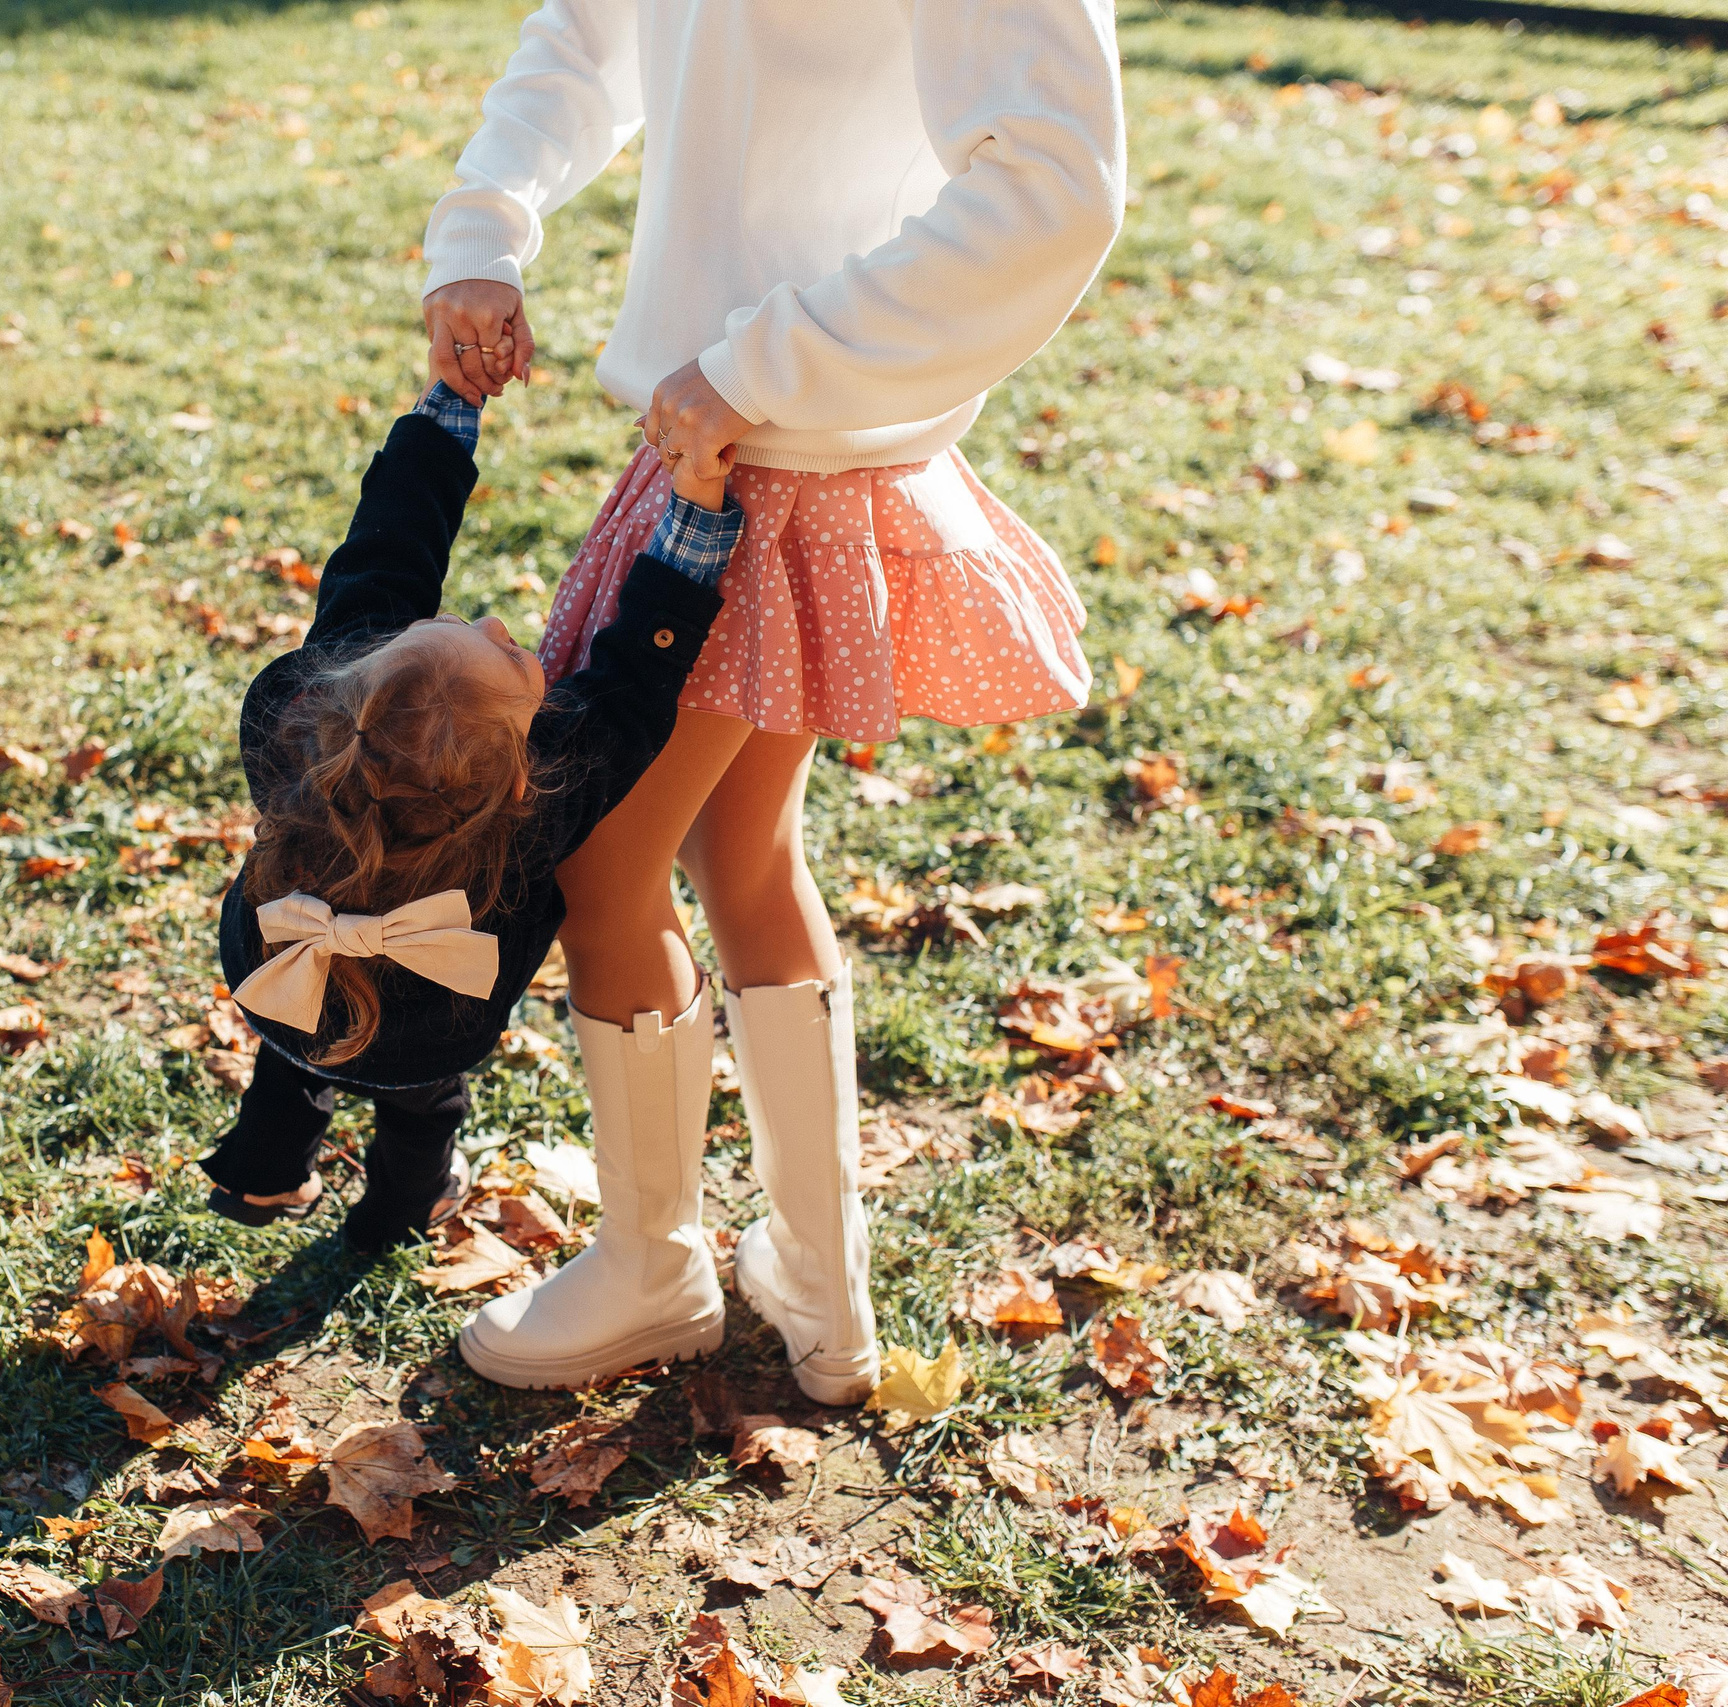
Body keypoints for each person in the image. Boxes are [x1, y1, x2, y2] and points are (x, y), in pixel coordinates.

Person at [422, 0, 1127, 1399]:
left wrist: (764, 359)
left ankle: (654, 1268)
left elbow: (1057, 184)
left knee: (599, 855)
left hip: (773, 437)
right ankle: (820, 1287)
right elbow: (591, 31)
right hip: (727, 433)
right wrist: (485, 222)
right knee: (738, 849)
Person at [201, 377, 743, 1277]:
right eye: (500, 648)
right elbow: (630, 681)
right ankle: (398, 1214)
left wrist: (450, 403)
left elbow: (390, 546)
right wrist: (694, 511)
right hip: (429, 1026)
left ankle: (261, 1169)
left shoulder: (315, 725)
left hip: (279, 970)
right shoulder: (540, 802)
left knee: (299, 1039)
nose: (493, 621)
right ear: (529, 759)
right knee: (421, 1106)